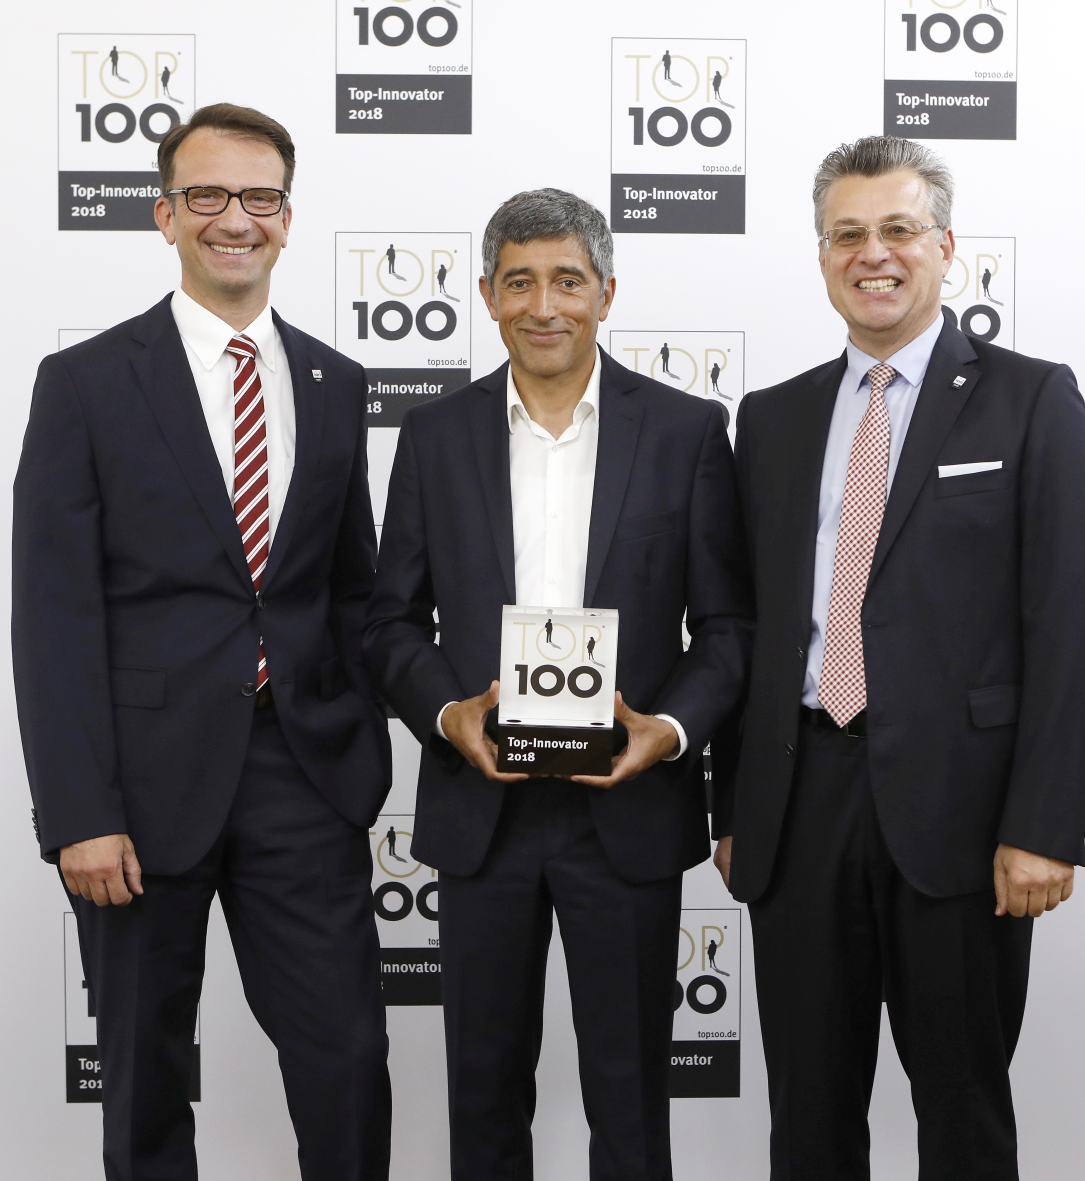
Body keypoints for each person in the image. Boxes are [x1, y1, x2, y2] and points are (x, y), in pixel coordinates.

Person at [711, 137, 1085, 1181]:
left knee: (961, 1109)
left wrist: (1041, 823)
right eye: (847, 233)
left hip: (963, 815)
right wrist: (731, 807)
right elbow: (741, 627)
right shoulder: (771, 417)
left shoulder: (1029, 399)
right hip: (798, 805)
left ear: (945, 247)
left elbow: (1072, 621)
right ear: (820, 255)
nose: (872, 253)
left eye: (897, 230)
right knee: (806, 1113)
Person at [12, 103, 391, 1181]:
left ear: (285, 215)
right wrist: (79, 810)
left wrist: (354, 749)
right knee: (142, 1070)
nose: (237, 218)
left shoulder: (333, 380)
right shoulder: (84, 383)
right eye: (209, 197)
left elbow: (348, 587)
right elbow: (52, 612)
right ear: (164, 215)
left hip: (302, 774)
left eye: (259, 197)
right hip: (136, 791)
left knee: (348, 1056)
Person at [365, 188, 752, 1181]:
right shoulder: (434, 433)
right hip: (477, 805)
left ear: (607, 292)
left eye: (568, 280)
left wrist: (664, 729)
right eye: (522, 281)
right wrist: (448, 714)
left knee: (629, 1101)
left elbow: (725, 629)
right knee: (482, 1092)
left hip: (624, 810)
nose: (546, 304)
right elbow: (391, 622)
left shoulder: (684, 431)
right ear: (487, 295)